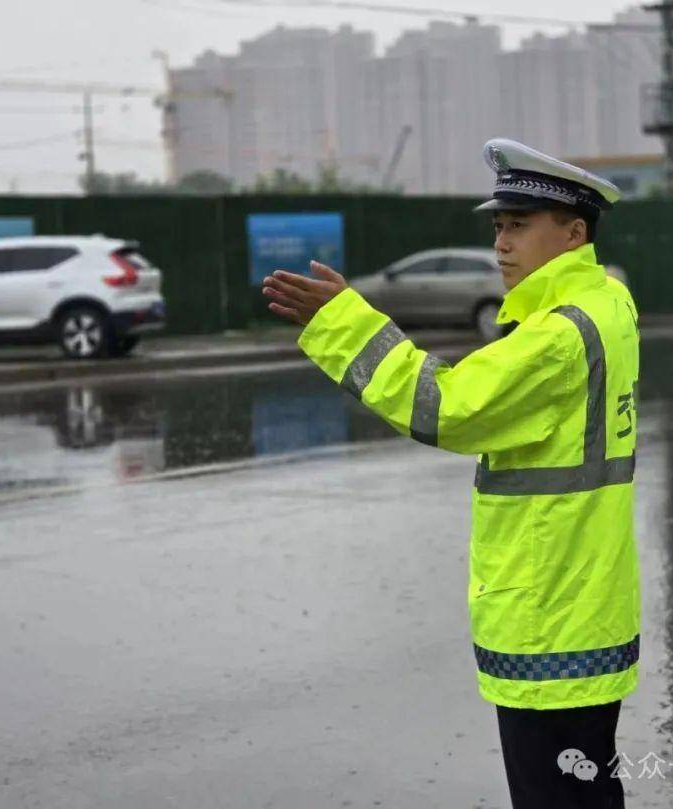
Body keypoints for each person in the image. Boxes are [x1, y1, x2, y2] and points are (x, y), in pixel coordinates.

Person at [262, 138, 640, 809]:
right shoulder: (606, 302)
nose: (502, 243)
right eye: (498, 225)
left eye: (520, 226)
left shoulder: (556, 334)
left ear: (574, 232)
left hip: (547, 614)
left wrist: (341, 323)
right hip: (587, 603)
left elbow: (443, 407)